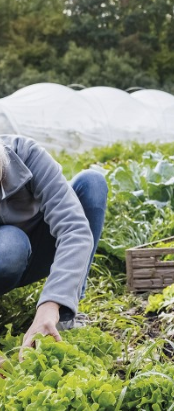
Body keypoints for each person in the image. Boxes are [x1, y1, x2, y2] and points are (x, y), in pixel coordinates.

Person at [0, 135, 107, 352]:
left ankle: (64, 313)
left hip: (41, 249)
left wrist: (50, 304)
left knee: (92, 183)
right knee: (12, 244)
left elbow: (73, 227)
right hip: (7, 255)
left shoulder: (25, 154)